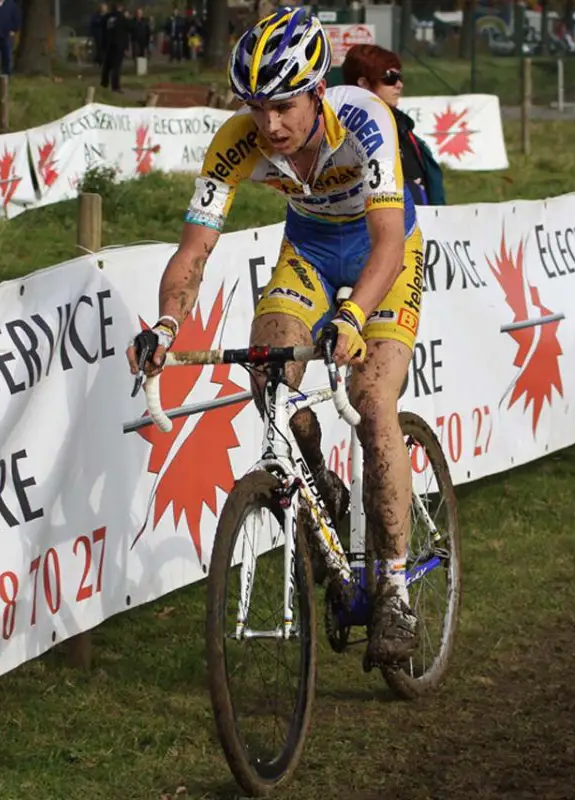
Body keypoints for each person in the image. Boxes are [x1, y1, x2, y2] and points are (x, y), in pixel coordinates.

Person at [126, 8, 423, 667]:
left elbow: (385, 244)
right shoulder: (236, 141)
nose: (269, 126)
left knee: (372, 402)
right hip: (310, 252)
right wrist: (165, 327)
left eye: (283, 106)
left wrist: (351, 319)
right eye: (255, 108)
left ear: (317, 92)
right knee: (267, 370)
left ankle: (395, 591)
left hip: (384, 253)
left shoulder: (365, 119)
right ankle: (317, 480)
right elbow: (194, 251)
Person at [342, 43, 446, 206]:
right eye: (390, 77)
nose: (399, 84)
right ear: (363, 83)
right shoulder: (343, 133)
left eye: (400, 77)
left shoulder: (403, 126)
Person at [100, 2, 128, 92]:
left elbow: (102, 28)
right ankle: (115, 86)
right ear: (120, 7)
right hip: (118, 45)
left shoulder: (107, 17)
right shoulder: (121, 17)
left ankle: (104, 84)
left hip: (108, 44)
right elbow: (129, 28)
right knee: (116, 67)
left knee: (107, 66)